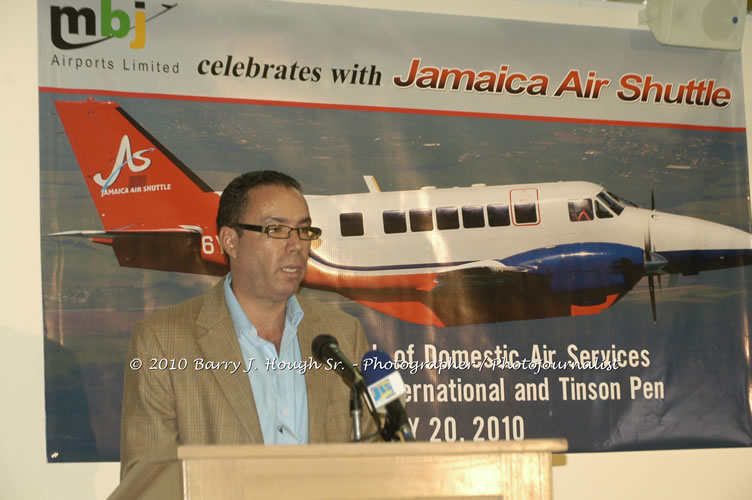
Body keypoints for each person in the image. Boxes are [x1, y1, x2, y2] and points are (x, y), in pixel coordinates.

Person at [119, 170, 373, 479]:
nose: (296, 245)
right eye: (276, 229)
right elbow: (147, 482)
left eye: (304, 231)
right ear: (230, 241)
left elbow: (376, 456)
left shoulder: (342, 334)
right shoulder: (162, 342)